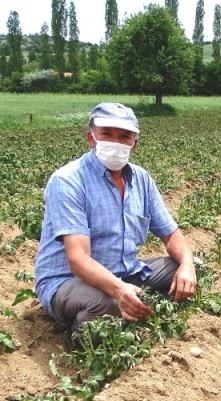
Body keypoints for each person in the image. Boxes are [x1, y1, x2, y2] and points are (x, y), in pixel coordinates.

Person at [35, 102, 197, 341]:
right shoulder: (68, 181)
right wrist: (118, 289)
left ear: (134, 144)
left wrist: (187, 266)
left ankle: (134, 308)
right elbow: (78, 259)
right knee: (109, 303)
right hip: (69, 281)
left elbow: (171, 234)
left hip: (123, 273)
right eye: (107, 134)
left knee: (190, 269)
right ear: (91, 138)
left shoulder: (141, 179)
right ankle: (80, 332)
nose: (115, 142)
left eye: (124, 136)